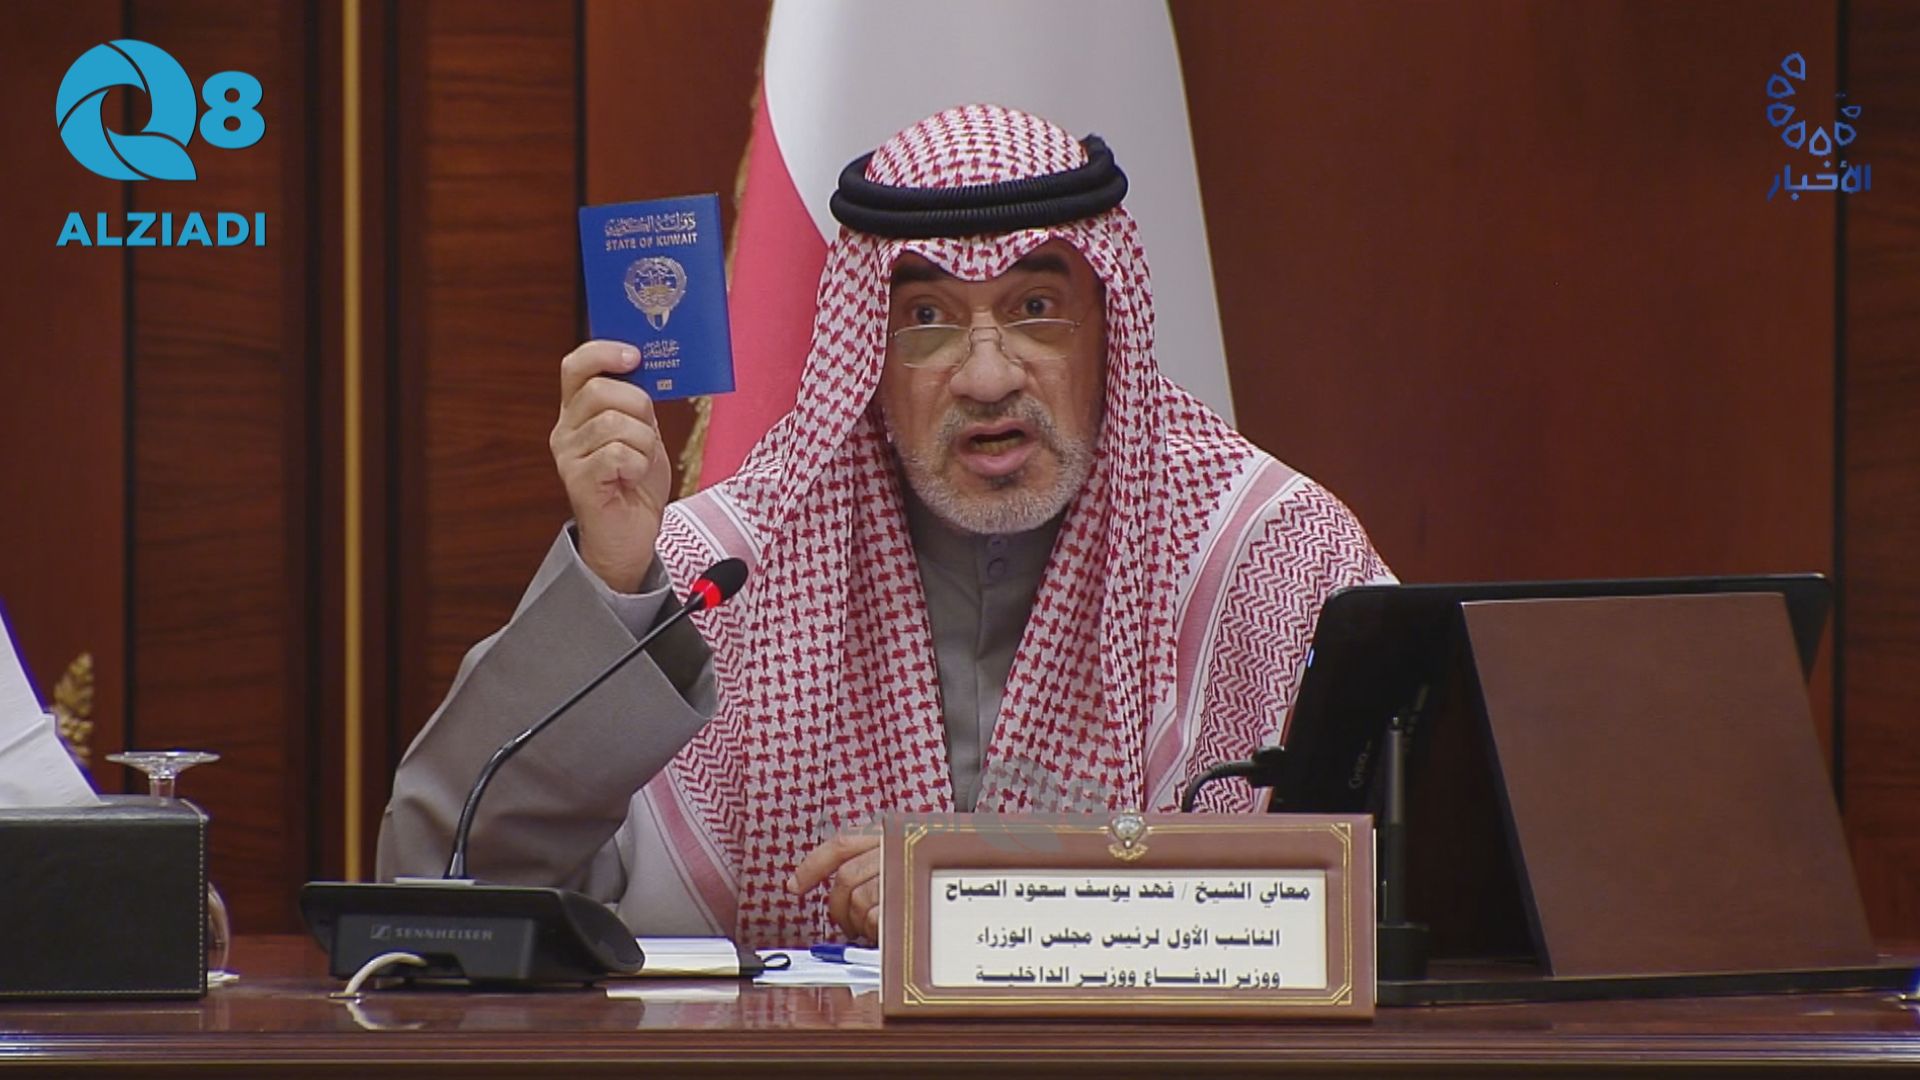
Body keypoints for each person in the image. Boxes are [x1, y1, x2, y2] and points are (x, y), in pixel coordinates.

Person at [378, 105, 1389, 948]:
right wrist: (608, 580)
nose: (986, 376)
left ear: (1107, 325)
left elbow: (1400, 902)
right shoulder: (715, 574)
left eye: (1036, 306)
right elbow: (441, 893)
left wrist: (996, 893)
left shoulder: (1269, 555)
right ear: (866, 348)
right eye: (927, 320)